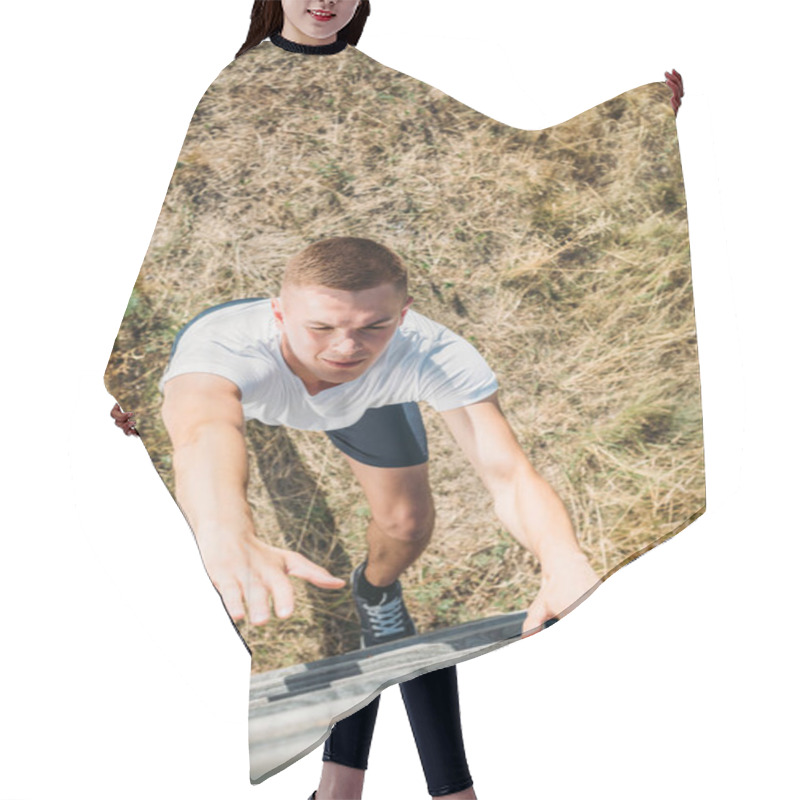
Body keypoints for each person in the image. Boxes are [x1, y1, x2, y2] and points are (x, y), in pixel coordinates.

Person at [159, 235, 600, 797]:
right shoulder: (226, 349)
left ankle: (376, 593)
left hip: (363, 406)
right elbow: (203, 429)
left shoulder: (430, 352)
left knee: (407, 524)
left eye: (374, 327)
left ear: (403, 316)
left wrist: (563, 560)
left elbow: (508, 474)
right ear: (278, 313)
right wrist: (225, 530)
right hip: (246, 390)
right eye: (321, 327)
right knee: (202, 435)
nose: (346, 347)